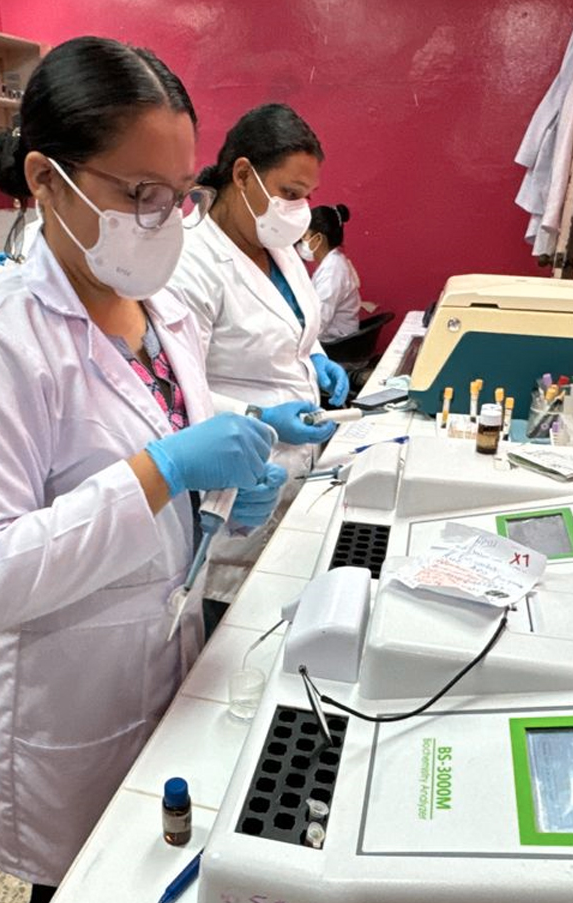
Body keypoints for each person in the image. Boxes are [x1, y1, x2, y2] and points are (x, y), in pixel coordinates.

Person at [0, 36, 285, 903]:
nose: (166, 217)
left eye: (180, 195)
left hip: (162, 655)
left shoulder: (161, 310)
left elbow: (147, 414)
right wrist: (166, 472)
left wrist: (248, 439)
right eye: (137, 194)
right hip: (62, 702)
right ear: (45, 178)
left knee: (145, 879)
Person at [169, 103, 351, 621]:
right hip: (240, 472)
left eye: (306, 196)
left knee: (280, 603)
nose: (300, 209)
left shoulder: (278, 244)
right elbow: (177, 388)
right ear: (243, 174)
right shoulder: (190, 259)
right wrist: (261, 417)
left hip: (298, 463)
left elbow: (291, 324)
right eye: (290, 193)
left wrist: (316, 356)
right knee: (231, 624)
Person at [298, 204, 362, 345]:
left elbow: (319, 322)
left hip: (337, 345)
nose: (301, 243)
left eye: (305, 236)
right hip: (334, 338)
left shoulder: (332, 271)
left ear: (318, 239)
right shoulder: (331, 264)